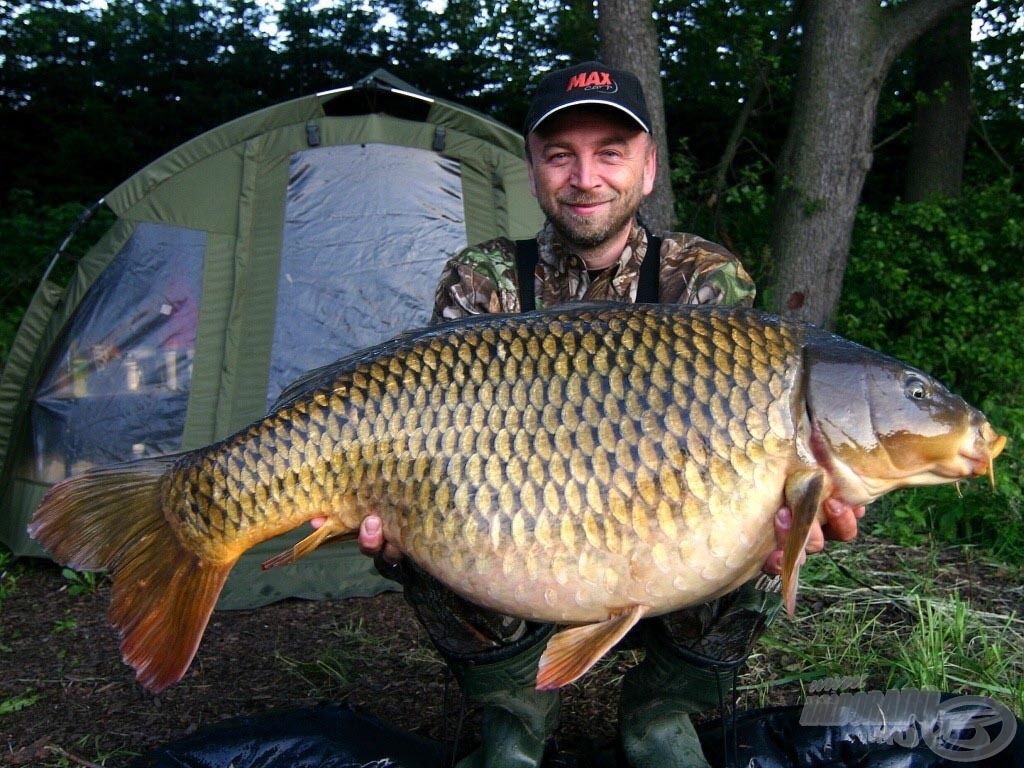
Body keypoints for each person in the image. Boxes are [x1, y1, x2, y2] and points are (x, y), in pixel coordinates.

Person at [349, 61, 863, 767]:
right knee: (425, 533)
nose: (585, 176)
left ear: (648, 169)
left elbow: (752, 428)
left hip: (665, 520)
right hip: (519, 532)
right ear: (533, 169)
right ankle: (515, 715)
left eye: (610, 153)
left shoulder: (703, 278)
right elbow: (426, 422)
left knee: (765, 520)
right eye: (561, 155)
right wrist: (399, 510)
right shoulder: (485, 280)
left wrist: (805, 507)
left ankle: (663, 711)